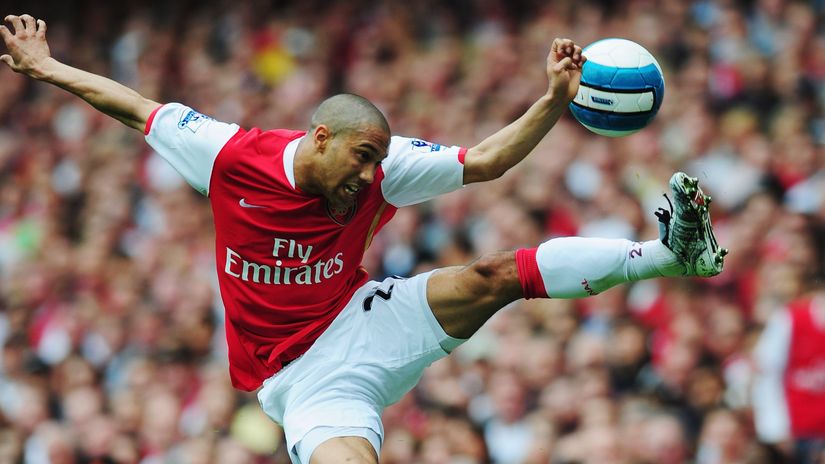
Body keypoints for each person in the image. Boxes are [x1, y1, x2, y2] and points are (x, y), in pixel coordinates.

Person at [0, 13, 727, 464]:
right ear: (320, 138)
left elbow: (488, 160)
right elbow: (132, 106)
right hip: (300, 375)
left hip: (363, 315)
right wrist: (46, 67)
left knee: (493, 275)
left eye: (381, 160)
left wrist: (551, 100)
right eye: (361, 158)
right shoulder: (228, 153)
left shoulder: (386, 170)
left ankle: (669, 254)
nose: (373, 175)